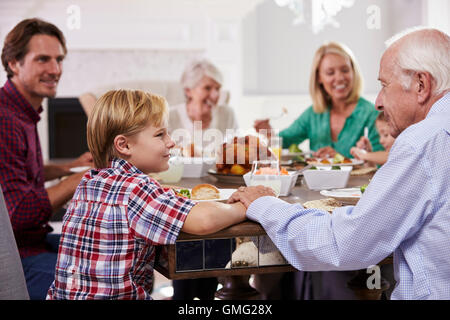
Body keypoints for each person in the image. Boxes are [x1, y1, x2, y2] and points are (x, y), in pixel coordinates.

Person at [229, 27, 450, 300]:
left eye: (384, 86)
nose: (378, 101)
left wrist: (264, 204)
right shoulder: (317, 113)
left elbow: (344, 244)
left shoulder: (421, 142)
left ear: (421, 84)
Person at [46, 89, 247, 299]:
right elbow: (204, 221)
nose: (171, 142)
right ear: (124, 145)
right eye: (160, 134)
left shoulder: (89, 182)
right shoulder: (136, 188)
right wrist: (245, 205)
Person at [0, 18, 93, 300]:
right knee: (106, 276)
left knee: (119, 256)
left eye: (59, 59)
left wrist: (68, 167)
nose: (55, 70)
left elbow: (19, 171)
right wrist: (86, 176)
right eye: (43, 59)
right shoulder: (5, 120)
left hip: (32, 242)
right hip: (17, 256)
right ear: (14, 63)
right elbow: (17, 213)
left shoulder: (20, 112)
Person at [254, 42, 383, 159]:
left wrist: (343, 160)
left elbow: (384, 163)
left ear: (353, 72)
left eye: (345, 70)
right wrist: (269, 133)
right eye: (330, 73)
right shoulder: (314, 114)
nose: (339, 78)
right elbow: (284, 141)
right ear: (319, 78)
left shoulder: (372, 114)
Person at [169, 59, 238, 157]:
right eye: (207, 88)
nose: (215, 95)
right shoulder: (169, 117)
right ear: (188, 91)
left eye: (218, 88)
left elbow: (237, 153)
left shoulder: (227, 114)